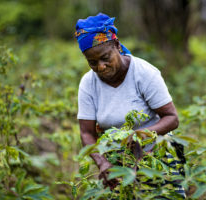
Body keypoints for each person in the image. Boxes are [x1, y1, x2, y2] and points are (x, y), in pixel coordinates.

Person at [75, 13, 185, 198]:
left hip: (158, 156)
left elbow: (172, 118)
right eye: (92, 62)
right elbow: (87, 133)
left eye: (105, 58)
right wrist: (102, 162)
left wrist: (139, 136)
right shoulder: (88, 83)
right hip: (116, 161)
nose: (101, 67)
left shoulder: (144, 73)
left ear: (117, 45)